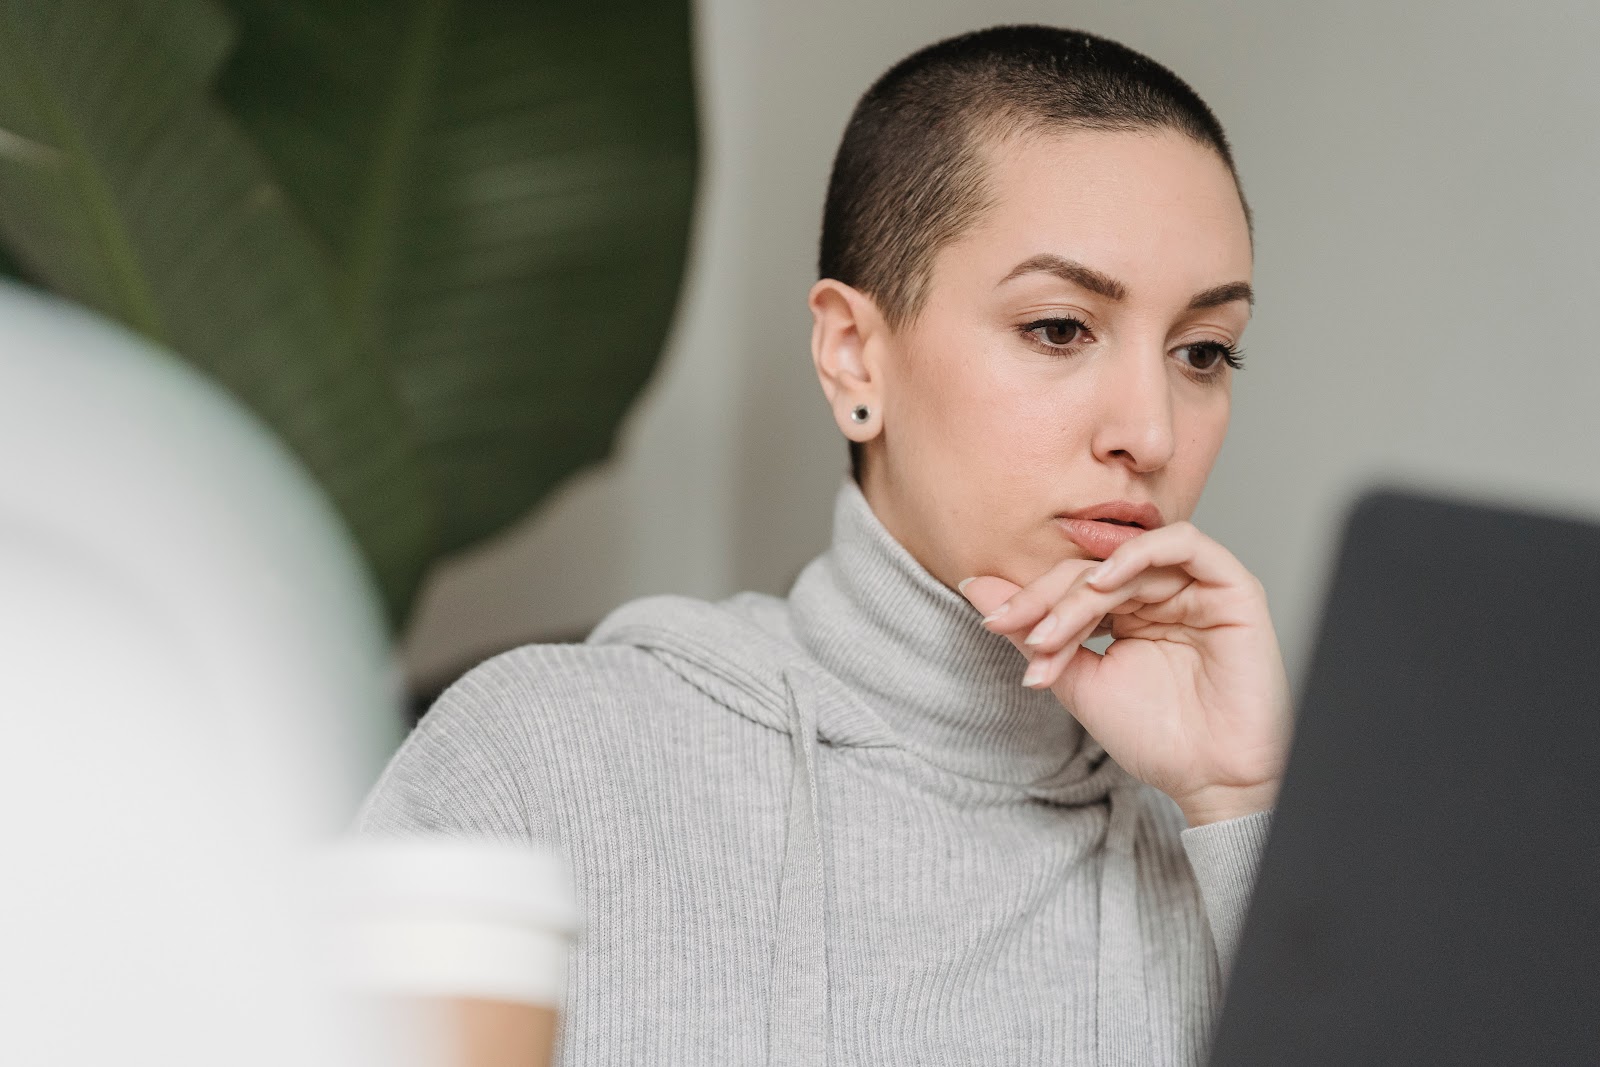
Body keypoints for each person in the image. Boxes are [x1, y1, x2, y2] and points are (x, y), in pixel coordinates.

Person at [360, 23, 1291, 1067]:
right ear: (854, 356)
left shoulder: (1227, 858)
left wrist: (1242, 805)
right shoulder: (545, 758)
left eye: (1202, 351)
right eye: (1059, 329)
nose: (1151, 431)